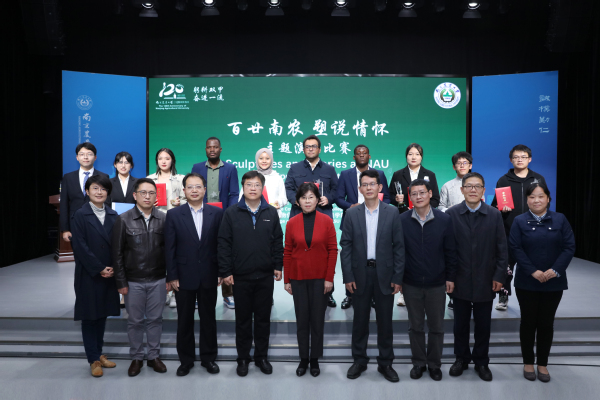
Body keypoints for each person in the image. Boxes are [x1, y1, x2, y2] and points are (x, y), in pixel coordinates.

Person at [340, 169, 405, 383]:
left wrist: (397, 277)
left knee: (385, 322)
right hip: (359, 274)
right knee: (359, 321)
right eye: (365, 184)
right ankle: (359, 360)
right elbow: (346, 247)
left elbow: (399, 247)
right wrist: (348, 276)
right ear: (360, 189)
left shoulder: (392, 212)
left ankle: (385, 363)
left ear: (380, 187)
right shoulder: (352, 214)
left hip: (385, 274)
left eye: (372, 184)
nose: (369, 188)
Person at [218, 171, 284, 377]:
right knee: (243, 320)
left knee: (263, 319)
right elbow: (224, 243)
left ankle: (261, 357)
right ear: (243, 187)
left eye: (257, 185)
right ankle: (243, 358)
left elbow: (277, 241)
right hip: (240, 276)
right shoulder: (231, 212)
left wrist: (278, 265)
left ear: (262, 187)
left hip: (265, 276)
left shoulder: (271, 212)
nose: (253, 188)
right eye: (249, 184)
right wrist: (226, 271)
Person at [509, 183, 575, 383]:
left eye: (540, 196)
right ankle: (528, 362)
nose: (536, 200)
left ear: (548, 198)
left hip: (553, 282)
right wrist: (532, 271)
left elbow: (569, 247)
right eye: (532, 197)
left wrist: (555, 270)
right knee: (528, 322)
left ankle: (543, 364)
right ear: (527, 200)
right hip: (527, 281)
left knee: (546, 323)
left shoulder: (560, 219)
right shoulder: (519, 221)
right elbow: (515, 247)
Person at [446, 172, 507, 382]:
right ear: (462, 190)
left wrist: (499, 275)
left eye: (477, 186)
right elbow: (447, 250)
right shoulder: (451, 214)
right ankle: (461, 359)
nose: (473, 190)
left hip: (486, 279)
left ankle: (481, 361)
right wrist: (449, 277)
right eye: (469, 186)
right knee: (460, 325)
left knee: (483, 325)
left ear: (483, 190)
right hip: (460, 279)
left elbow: (502, 248)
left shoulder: (494, 214)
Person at [165, 173, 224, 377]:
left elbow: (221, 245)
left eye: (198, 186)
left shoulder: (217, 213)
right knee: (184, 320)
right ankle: (186, 360)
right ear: (184, 191)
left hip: (209, 273)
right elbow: (169, 249)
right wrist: (172, 276)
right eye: (190, 187)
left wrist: (220, 271)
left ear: (205, 190)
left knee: (209, 319)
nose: (194, 190)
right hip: (183, 276)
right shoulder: (174, 215)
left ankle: (209, 358)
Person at [400, 179, 457, 381]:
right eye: (414, 194)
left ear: (430, 193)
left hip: (437, 282)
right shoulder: (402, 220)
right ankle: (418, 363)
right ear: (410, 196)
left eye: (422, 192)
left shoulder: (444, 219)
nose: (418, 197)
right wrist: (399, 279)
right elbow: (399, 253)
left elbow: (450, 251)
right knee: (415, 326)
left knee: (436, 327)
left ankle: (434, 364)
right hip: (411, 282)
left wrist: (450, 277)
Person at [112, 178, 168, 377]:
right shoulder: (123, 219)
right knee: (135, 321)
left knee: (155, 320)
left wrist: (169, 278)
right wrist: (121, 282)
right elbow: (117, 254)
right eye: (143, 192)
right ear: (135, 195)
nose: (147, 196)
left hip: (158, 279)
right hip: (133, 281)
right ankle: (136, 357)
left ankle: (153, 356)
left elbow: (169, 251)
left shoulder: (163, 219)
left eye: (151, 193)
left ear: (156, 196)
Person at [284, 183, 338, 378]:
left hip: (320, 279)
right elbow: (287, 252)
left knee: (317, 320)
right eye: (303, 198)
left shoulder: (327, 221)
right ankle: (303, 358)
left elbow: (333, 250)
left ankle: (314, 358)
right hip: (298, 278)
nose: (307, 201)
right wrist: (287, 280)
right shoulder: (291, 223)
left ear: (317, 200)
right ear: (298, 201)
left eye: (311, 197)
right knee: (302, 320)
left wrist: (329, 279)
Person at [70, 175, 120, 378]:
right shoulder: (80, 214)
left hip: (109, 273)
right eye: (95, 188)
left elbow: (118, 244)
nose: (99, 192)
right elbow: (79, 246)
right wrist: (99, 268)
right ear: (87, 191)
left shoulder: (113, 214)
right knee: (90, 317)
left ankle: (99, 354)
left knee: (102, 315)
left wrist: (114, 267)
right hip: (89, 273)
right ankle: (93, 360)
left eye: (103, 189)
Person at [285, 134, 339, 308]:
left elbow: (336, 190)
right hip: (299, 215)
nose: (310, 149)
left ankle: (328, 292)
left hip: (324, 214)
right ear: (303, 149)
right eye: (307, 146)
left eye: (313, 146)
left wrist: (328, 198)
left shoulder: (329, 169)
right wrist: (298, 201)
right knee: (300, 252)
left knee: (325, 253)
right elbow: (289, 189)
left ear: (319, 149)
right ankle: (299, 288)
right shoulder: (294, 168)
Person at [491, 144, 547, 311]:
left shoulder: (538, 179)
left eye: (523, 157)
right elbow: (494, 206)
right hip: (509, 231)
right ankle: (503, 296)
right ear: (511, 160)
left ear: (530, 159)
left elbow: (545, 201)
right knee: (506, 267)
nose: (520, 160)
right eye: (516, 157)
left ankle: (533, 296)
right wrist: (500, 209)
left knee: (533, 265)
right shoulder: (503, 180)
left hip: (533, 231)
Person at [336, 145, 390, 310]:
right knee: (352, 258)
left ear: (369, 156)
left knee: (374, 255)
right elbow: (339, 198)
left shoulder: (379, 174)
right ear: (354, 157)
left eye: (364, 153)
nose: (361, 155)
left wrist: (379, 207)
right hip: (352, 221)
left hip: (375, 219)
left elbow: (387, 197)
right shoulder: (345, 174)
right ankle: (350, 295)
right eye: (358, 153)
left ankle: (373, 295)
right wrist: (351, 206)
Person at [389, 143, 440, 307]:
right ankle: (404, 292)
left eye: (417, 154)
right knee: (404, 253)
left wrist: (423, 207)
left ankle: (426, 289)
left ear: (421, 157)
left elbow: (435, 199)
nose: (413, 157)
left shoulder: (429, 175)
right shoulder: (398, 174)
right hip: (404, 219)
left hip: (425, 220)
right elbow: (390, 196)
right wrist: (396, 200)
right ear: (406, 156)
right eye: (410, 154)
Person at [192, 137, 240, 310]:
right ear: (205, 149)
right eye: (209, 147)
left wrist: (228, 214)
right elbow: (194, 191)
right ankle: (198, 294)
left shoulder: (230, 168)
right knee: (201, 253)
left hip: (223, 216)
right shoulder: (197, 168)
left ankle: (228, 294)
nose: (212, 150)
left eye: (215, 147)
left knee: (224, 253)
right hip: (201, 215)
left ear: (220, 149)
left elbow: (234, 194)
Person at [147, 147, 186, 309]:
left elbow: (188, 200)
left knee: (175, 257)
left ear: (172, 161)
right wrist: (150, 202)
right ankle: (163, 292)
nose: (163, 161)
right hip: (155, 222)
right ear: (157, 161)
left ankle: (176, 292)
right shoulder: (149, 179)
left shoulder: (180, 179)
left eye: (167, 158)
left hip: (175, 222)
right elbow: (141, 201)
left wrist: (180, 202)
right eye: (160, 158)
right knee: (158, 258)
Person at [438, 151, 472, 311]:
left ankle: (472, 295)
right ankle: (453, 297)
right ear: (454, 167)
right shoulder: (447, 185)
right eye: (459, 163)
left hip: (473, 229)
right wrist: (451, 210)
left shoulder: (476, 183)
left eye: (465, 163)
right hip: (453, 229)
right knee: (454, 262)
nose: (462, 165)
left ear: (470, 165)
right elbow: (440, 207)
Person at [60, 143, 111, 245]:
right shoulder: (68, 177)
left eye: (89, 154)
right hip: (75, 224)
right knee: (79, 253)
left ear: (95, 157)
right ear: (77, 157)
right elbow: (64, 204)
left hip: (98, 223)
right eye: (82, 154)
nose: (86, 157)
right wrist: (65, 229)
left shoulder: (103, 177)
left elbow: (107, 202)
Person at [239, 148, 288, 218]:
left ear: (271, 160)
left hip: (272, 216)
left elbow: (284, 199)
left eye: (267, 158)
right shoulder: (251, 177)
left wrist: (279, 203)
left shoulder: (277, 178)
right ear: (257, 160)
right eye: (261, 158)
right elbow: (241, 197)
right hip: (251, 216)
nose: (264, 161)